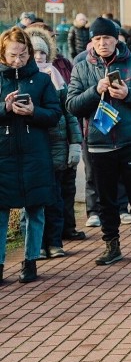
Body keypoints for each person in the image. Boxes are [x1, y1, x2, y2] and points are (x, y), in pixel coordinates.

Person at [66, 17, 131, 266]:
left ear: (116, 38)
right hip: (99, 143)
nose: (102, 43)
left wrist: (129, 94)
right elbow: (72, 105)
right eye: (97, 39)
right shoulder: (81, 67)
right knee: (106, 200)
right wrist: (95, 91)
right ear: (91, 42)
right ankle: (111, 245)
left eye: (107, 38)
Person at [0, 27, 61, 283]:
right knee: (0, 211)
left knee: (36, 209)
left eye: (23, 54)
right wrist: (4, 108)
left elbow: (55, 114)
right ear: (3, 53)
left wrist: (34, 112)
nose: (18, 60)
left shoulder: (43, 80)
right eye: (13, 55)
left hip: (35, 153)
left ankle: (30, 260)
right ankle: (0, 263)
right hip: (3, 154)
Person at [26, 28, 83, 259]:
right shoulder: (21, 78)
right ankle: (36, 245)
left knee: (55, 199)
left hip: (57, 147)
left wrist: (75, 143)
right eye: (34, 51)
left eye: (42, 51)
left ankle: (54, 242)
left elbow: (69, 113)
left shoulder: (56, 78)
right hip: (33, 149)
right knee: (33, 201)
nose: (38, 56)